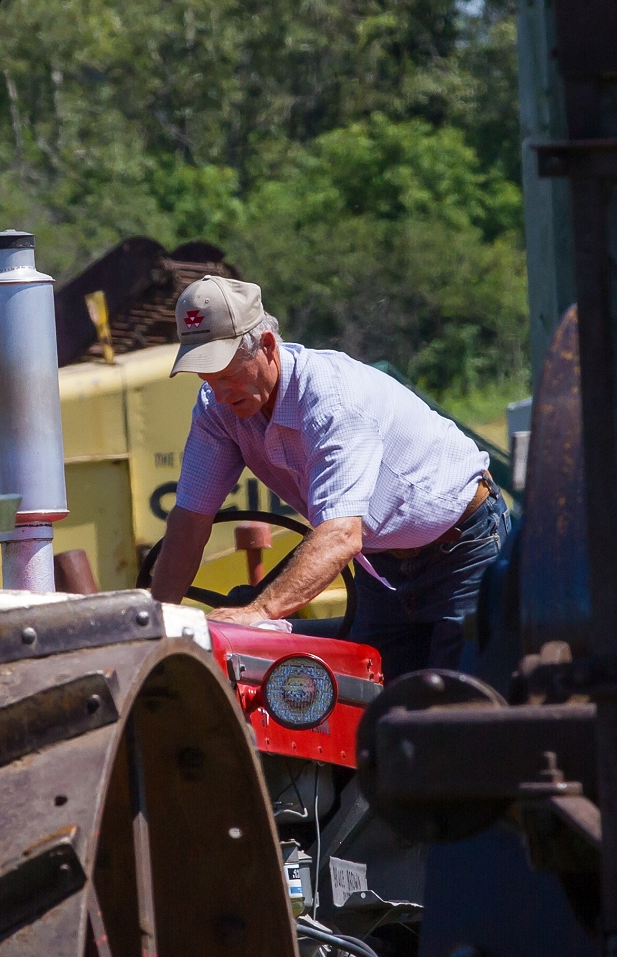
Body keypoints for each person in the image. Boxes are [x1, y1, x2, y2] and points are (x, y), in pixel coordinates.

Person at [146, 275, 508, 680]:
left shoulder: (332, 400)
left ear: (267, 346)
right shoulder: (218, 408)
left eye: (228, 373)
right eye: (206, 376)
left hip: (462, 548)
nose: (220, 390)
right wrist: (158, 624)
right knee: (376, 711)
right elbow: (189, 523)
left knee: (461, 705)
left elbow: (341, 535)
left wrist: (259, 612)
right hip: (380, 565)